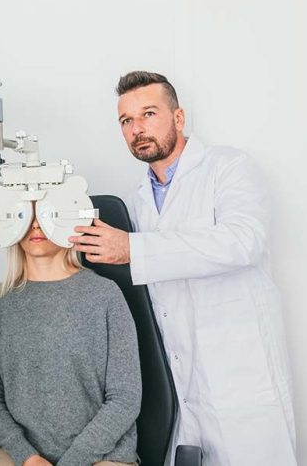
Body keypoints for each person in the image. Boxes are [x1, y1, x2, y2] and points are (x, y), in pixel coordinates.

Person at [68, 71, 296, 464]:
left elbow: (242, 241)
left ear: (178, 117)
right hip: (183, 385)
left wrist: (132, 248)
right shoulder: (138, 199)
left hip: (241, 379)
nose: (137, 129)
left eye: (149, 114)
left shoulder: (229, 167)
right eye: (126, 120)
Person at [0, 211, 141, 466]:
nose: (35, 224)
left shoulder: (105, 295)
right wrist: (27, 456)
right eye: (25, 214)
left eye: (44, 213)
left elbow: (125, 399)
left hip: (102, 456)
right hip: (19, 456)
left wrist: (73, 462)